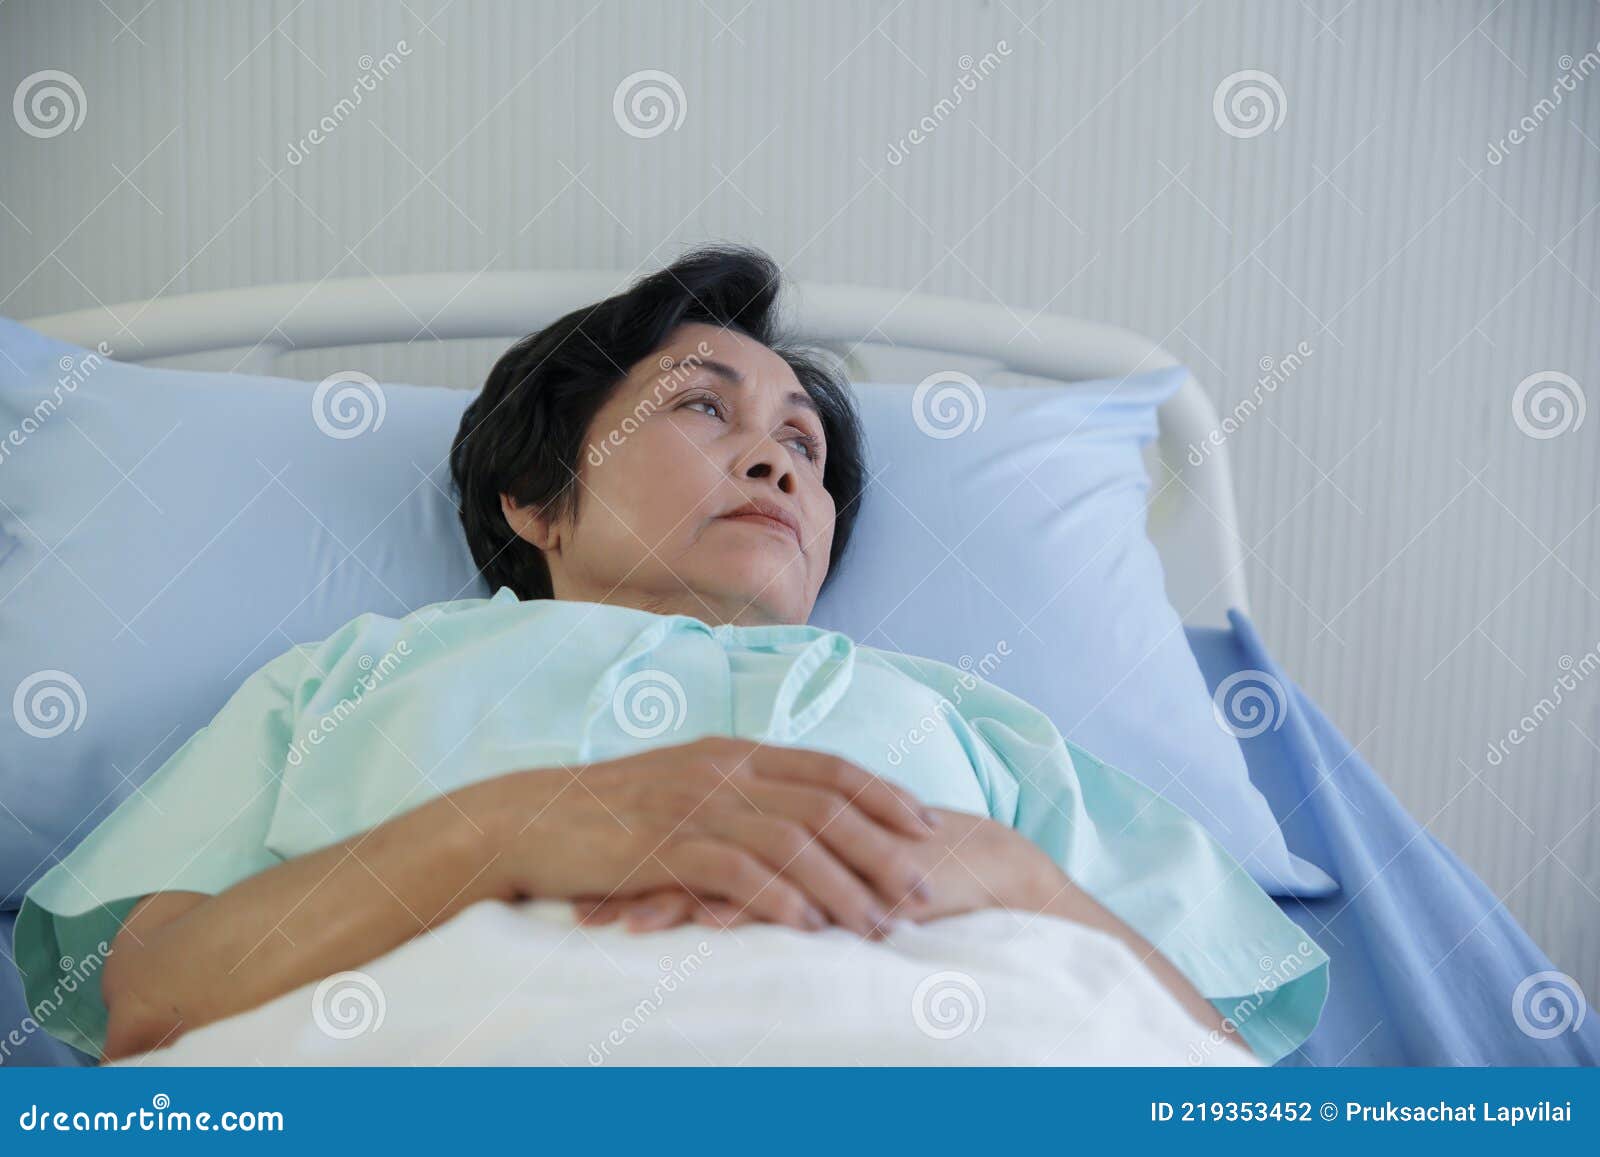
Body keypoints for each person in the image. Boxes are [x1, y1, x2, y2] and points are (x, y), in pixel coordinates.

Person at [13, 245, 1326, 1064]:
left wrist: (1017, 876)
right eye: (704, 405)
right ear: (536, 500)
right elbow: (153, 1002)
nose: (774, 456)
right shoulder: (359, 672)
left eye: (804, 448)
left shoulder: (964, 718)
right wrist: (517, 827)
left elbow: (1205, 1067)